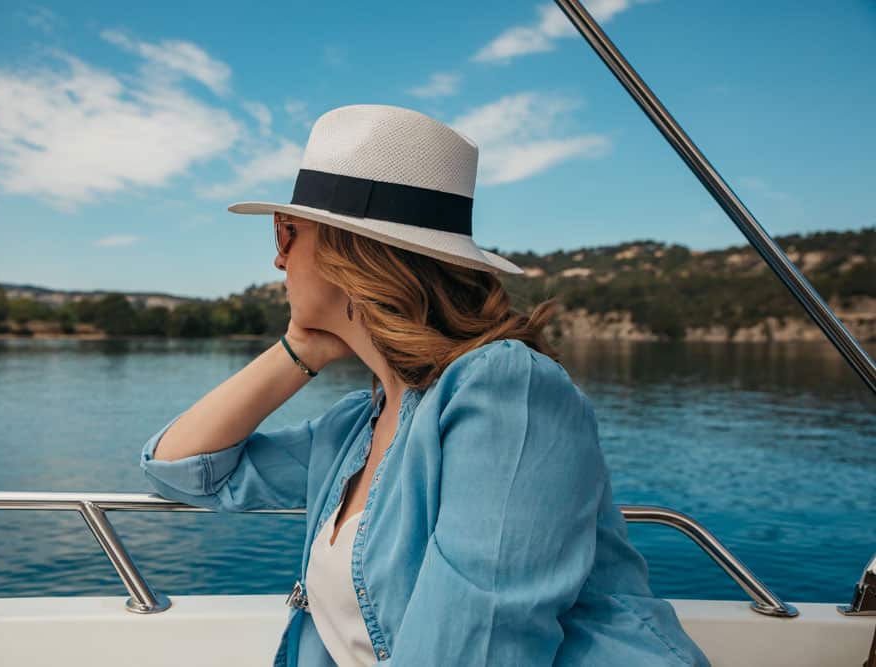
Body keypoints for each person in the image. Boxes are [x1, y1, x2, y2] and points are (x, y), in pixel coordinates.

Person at [139, 104, 712, 666]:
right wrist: (299, 350)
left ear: (350, 252)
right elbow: (180, 469)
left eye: (287, 232)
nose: (277, 260)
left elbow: (482, 644)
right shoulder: (353, 427)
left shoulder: (505, 389)